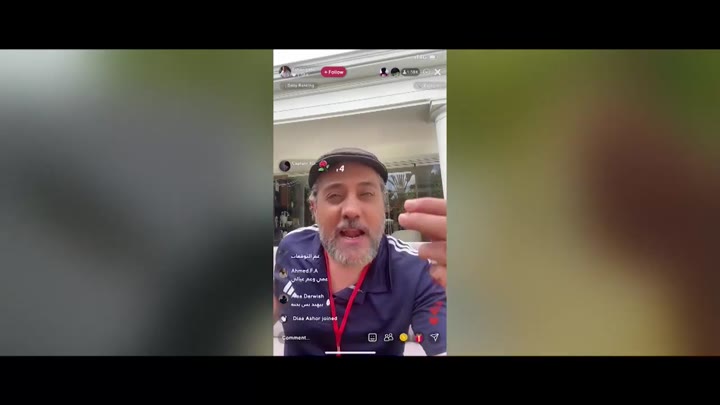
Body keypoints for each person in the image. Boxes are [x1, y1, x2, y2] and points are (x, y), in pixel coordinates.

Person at [273, 147, 447, 356]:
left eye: (366, 194)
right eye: (334, 195)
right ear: (314, 209)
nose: (351, 210)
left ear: (384, 206)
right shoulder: (293, 248)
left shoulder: (415, 270)